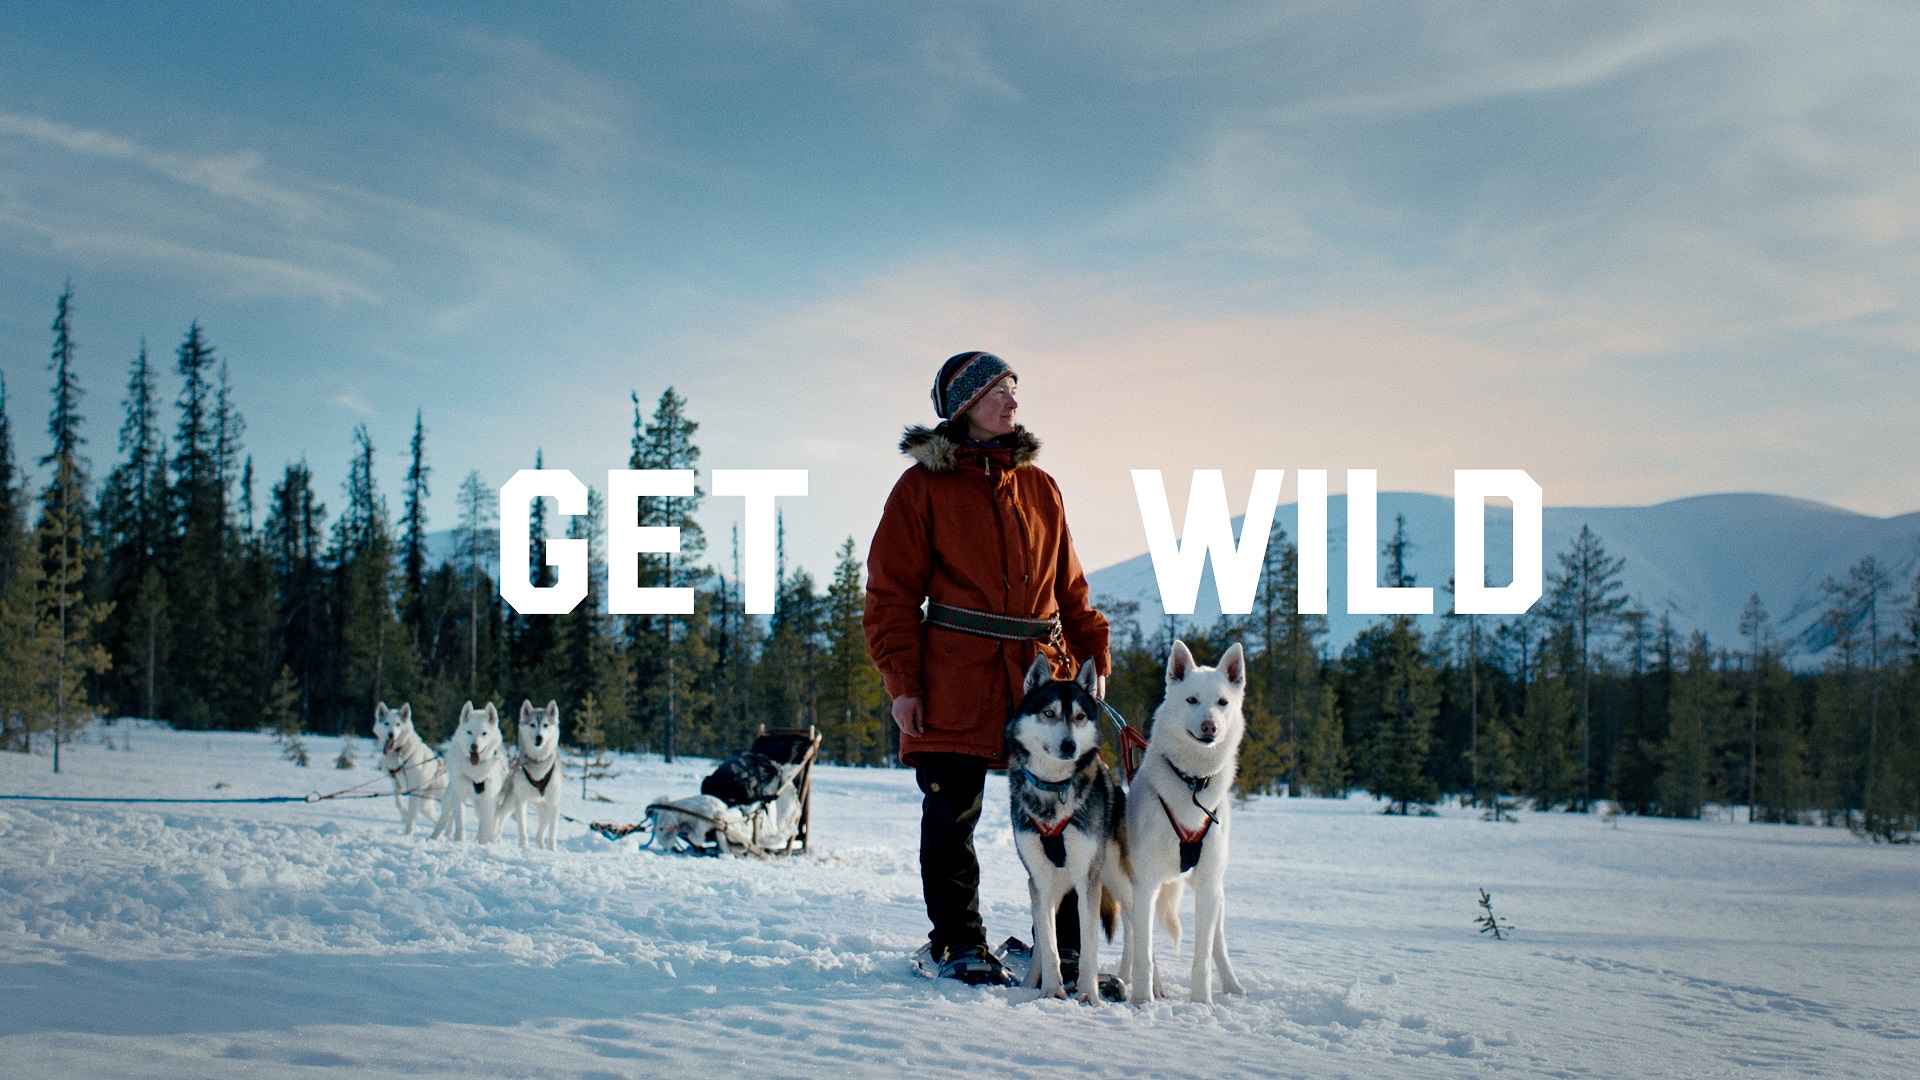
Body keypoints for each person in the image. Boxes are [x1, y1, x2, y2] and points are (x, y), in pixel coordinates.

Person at [864, 350, 1112, 986]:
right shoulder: (922, 488)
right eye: (1000, 391)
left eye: (1014, 389)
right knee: (953, 815)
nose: (1013, 402)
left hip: (1043, 682)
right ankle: (958, 944)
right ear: (966, 406)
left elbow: (1072, 589)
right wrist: (903, 686)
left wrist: (1094, 655)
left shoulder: (1040, 486)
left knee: (1065, 816)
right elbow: (890, 596)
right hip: (954, 676)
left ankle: (1063, 952)